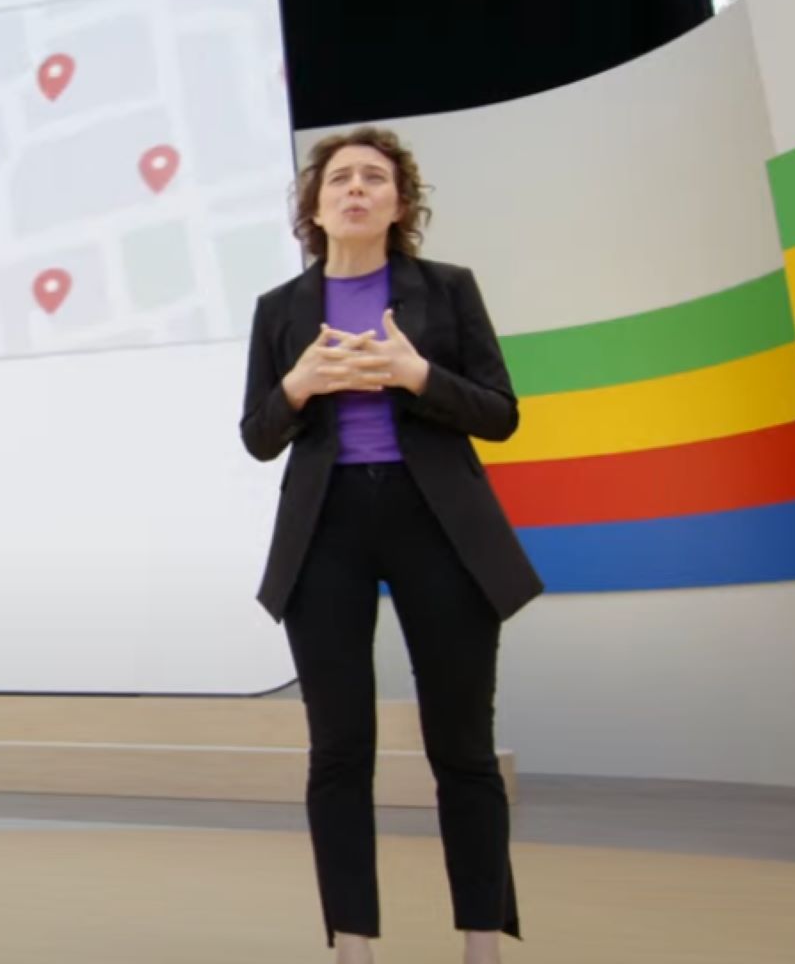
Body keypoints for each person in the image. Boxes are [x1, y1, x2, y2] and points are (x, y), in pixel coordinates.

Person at [238, 126, 542, 964]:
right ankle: (352, 946)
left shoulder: (446, 291)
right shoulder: (279, 311)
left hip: (436, 523)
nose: (356, 189)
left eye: (375, 177)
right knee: (339, 751)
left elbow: (499, 413)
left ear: (399, 203)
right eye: (339, 178)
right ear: (315, 205)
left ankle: (482, 942)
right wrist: (298, 385)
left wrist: (416, 376)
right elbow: (258, 435)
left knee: (462, 749)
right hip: (326, 528)